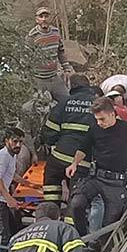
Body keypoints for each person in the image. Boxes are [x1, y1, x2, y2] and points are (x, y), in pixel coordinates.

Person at [67, 97, 127, 232]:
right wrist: (74, 164)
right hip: (97, 178)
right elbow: (83, 148)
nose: (99, 123)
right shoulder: (95, 129)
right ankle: (82, 238)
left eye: (102, 119)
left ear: (112, 114)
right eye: (97, 119)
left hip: (116, 183)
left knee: (108, 224)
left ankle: (98, 247)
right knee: (77, 204)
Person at [42, 74, 96, 211]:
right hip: (82, 162)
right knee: (76, 198)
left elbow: (49, 131)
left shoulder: (64, 102)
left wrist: (55, 143)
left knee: (51, 185)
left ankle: (50, 215)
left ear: (72, 86)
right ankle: (72, 228)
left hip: (59, 157)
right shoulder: (98, 105)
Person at [0, 128, 26, 250]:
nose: (18, 145)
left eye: (21, 142)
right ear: (6, 141)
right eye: (15, 141)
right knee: (2, 238)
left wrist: (29, 184)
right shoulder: (2, 157)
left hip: (2, 201)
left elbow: (11, 174)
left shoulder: (12, 155)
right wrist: (9, 198)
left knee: (14, 232)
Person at [28, 6, 69, 103]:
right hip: (39, 80)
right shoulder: (32, 36)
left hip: (54, 77)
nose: (44, 19)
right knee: (41, 106)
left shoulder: (55, 32)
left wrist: (66, 68)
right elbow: (26, 57)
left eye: (46, 16)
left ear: (50, 18)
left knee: (67, 101)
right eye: (41, 17)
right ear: (37, 19)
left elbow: (61, 51)